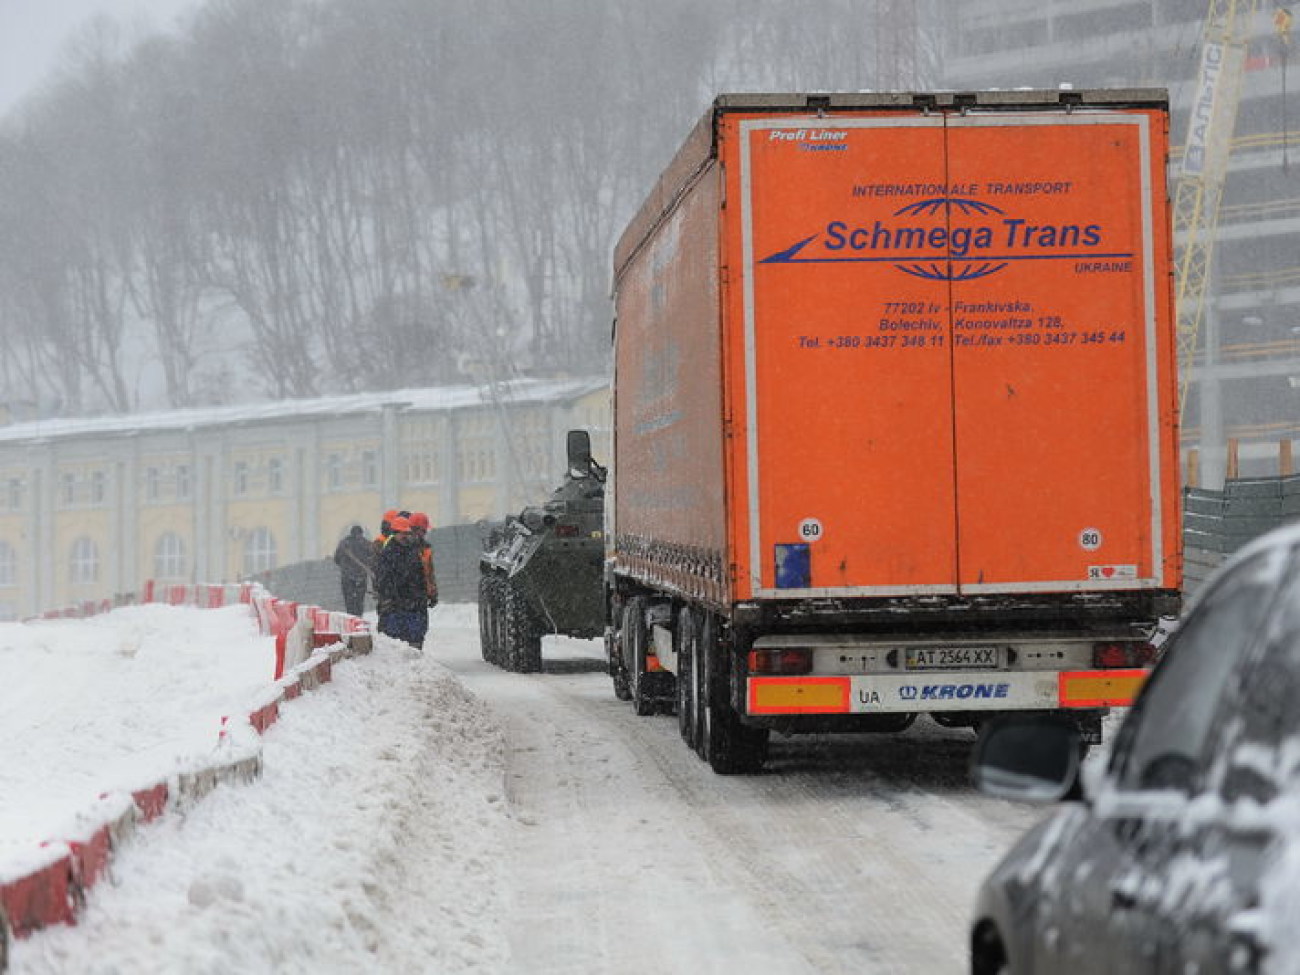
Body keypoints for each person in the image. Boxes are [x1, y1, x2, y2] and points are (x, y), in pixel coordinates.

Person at [374, 515, 428, 649]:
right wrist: (390, 596)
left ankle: (416, 658)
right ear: (395, 533)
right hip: (395, 604)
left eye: (407, 533)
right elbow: (383, 579)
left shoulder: (413, 551)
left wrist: (421, 595)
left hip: (413, 603)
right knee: (394, 640)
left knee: (415, 638)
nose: (406, 536)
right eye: (403, 533)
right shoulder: (388, 553)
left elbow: (420, 576)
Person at [332, 525, 373, 617]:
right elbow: (372, 559)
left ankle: (351, 619)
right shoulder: (366, 544)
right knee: (359, 600)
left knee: (349, 601)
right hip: (361, 577)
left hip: (347, 577)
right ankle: (358, 618)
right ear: (361, 533)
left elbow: (336, 559)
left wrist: (346, 566)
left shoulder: (344, 543)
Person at [408, 512, 439, 613]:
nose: (425, 532)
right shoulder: (403, 547)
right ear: (415, 529)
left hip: (421, 594)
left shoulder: (426, 547)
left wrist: (433, 593)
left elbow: (430, 572)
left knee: (420, 627)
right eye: (424, 530)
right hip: (406, 596)